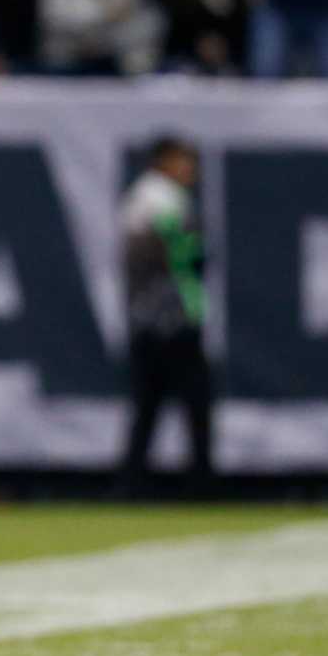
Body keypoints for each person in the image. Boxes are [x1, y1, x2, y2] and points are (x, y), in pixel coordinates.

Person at [118, 134, 211, 493]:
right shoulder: (160, 198)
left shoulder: (146, 197)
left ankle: (132, 482)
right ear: (165, 161)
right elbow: (179, 255)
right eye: (184, 161)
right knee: (190, 404)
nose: (191, 170)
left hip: (152, 317)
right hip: (167, 319)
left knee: (147, 407)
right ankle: (199, 484)